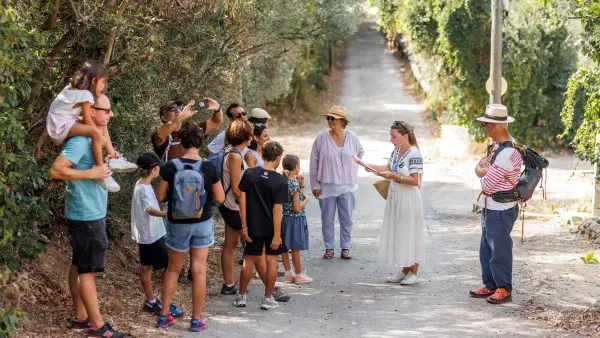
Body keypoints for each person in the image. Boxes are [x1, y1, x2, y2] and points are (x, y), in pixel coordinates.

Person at [49, 94, 125, 338]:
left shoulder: (92, 138)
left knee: (79, 264)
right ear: (90, 111)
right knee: (88, 272)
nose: (111, 115)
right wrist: (92, 172)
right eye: (106, 110)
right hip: (86, 214)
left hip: (87, 212)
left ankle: (81, 318)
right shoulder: (81, 140)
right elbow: (57, 170)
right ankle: (98, 326)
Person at [155, 122, 225, 331]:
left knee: (173, 269)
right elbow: (220, 197)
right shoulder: (208, 166)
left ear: (181, 141)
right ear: (201, 141)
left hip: (177, 223)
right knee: (199, 270)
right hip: (202, 222)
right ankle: (196, 319)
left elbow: (160, 196)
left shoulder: (171, 166)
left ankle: (164, 315)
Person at [47, 60, 136, 193]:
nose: (104, 86)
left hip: (58, 123)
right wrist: (99, 138)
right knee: (95, 131)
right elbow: (89, 122)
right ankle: (101, 170)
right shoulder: (86, 95)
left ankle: (113, 157)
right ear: (94, 80)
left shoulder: (71, 89)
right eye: (103, 82)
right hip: (60, 125)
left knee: (100, 124)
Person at [469, 104, 522, 304]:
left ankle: (503, 288)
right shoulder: (497, 147)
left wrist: (483, 172)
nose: (485, 129)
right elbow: (480, 167)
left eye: (485, 125)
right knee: (486, 249)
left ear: (494, 126)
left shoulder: (508, 152)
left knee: (499, 250)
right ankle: (490, 285)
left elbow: (487, 181)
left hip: (501, 208)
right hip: (490, 206)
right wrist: (482, 170)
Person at [367, 121, 424, 285]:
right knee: (400, 232)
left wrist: (395, 177)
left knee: (410, 232)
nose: (391, 140)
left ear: (405, 136)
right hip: (396, 197)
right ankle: (404, 270)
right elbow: (390, 167)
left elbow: (415, 181)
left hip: (408, 199)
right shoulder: (396, 150)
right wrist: (372, 167)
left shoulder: (414, 154)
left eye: (394, 136)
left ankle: (414, 271)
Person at [234, 141, 288, 310]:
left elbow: (242, 200)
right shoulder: (280, 180)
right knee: (272, 260)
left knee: (249, 259)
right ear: (278, 158)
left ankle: (241, 296)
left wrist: (244, 225)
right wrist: (277, 234)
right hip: (272, 228)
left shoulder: (249, 174)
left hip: (252, 225)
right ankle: (267, 298)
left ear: (262, 155)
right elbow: (277, 210)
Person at [130, 152, 183, 317]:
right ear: (153, 170)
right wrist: (166, 214)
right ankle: (165, 303)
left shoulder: (140, 184)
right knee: (170, 268)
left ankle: (151, 301)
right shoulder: (144, 188)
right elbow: (150, 209)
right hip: (153, 235)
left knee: (146, 267)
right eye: (158, 167)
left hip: (144, 234)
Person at [309, 105, 364, 259]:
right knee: (327, 219)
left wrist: (352, 168)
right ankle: (329, 248)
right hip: (326, 186)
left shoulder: (352, 138)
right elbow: (313, 163)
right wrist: (315, 185)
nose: (330, 121)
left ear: (342, 121)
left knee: (347, 219)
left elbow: (360, 153)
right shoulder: (321, 138)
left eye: (333, 118)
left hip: (348, 186)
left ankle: (345, 247)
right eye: (328, 118)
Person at [152, 98, 222, 161]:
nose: (177, 110)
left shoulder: (191, 130)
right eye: (172, 109)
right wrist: (182, 116)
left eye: (179, 107)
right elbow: (160, 135)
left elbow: (215, 122)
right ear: (164, 118)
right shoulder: (164, 135)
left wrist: (218, 109)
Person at [280, 154, 313, 284]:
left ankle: (289, 274)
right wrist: (307, 200)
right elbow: (297, 207)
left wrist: (302, 185)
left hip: (285, 218)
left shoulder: (284, 182)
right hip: (296, 219)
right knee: (295, 248)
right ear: (296, 167)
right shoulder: (294, 185)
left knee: (284, 247)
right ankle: (299, 275)